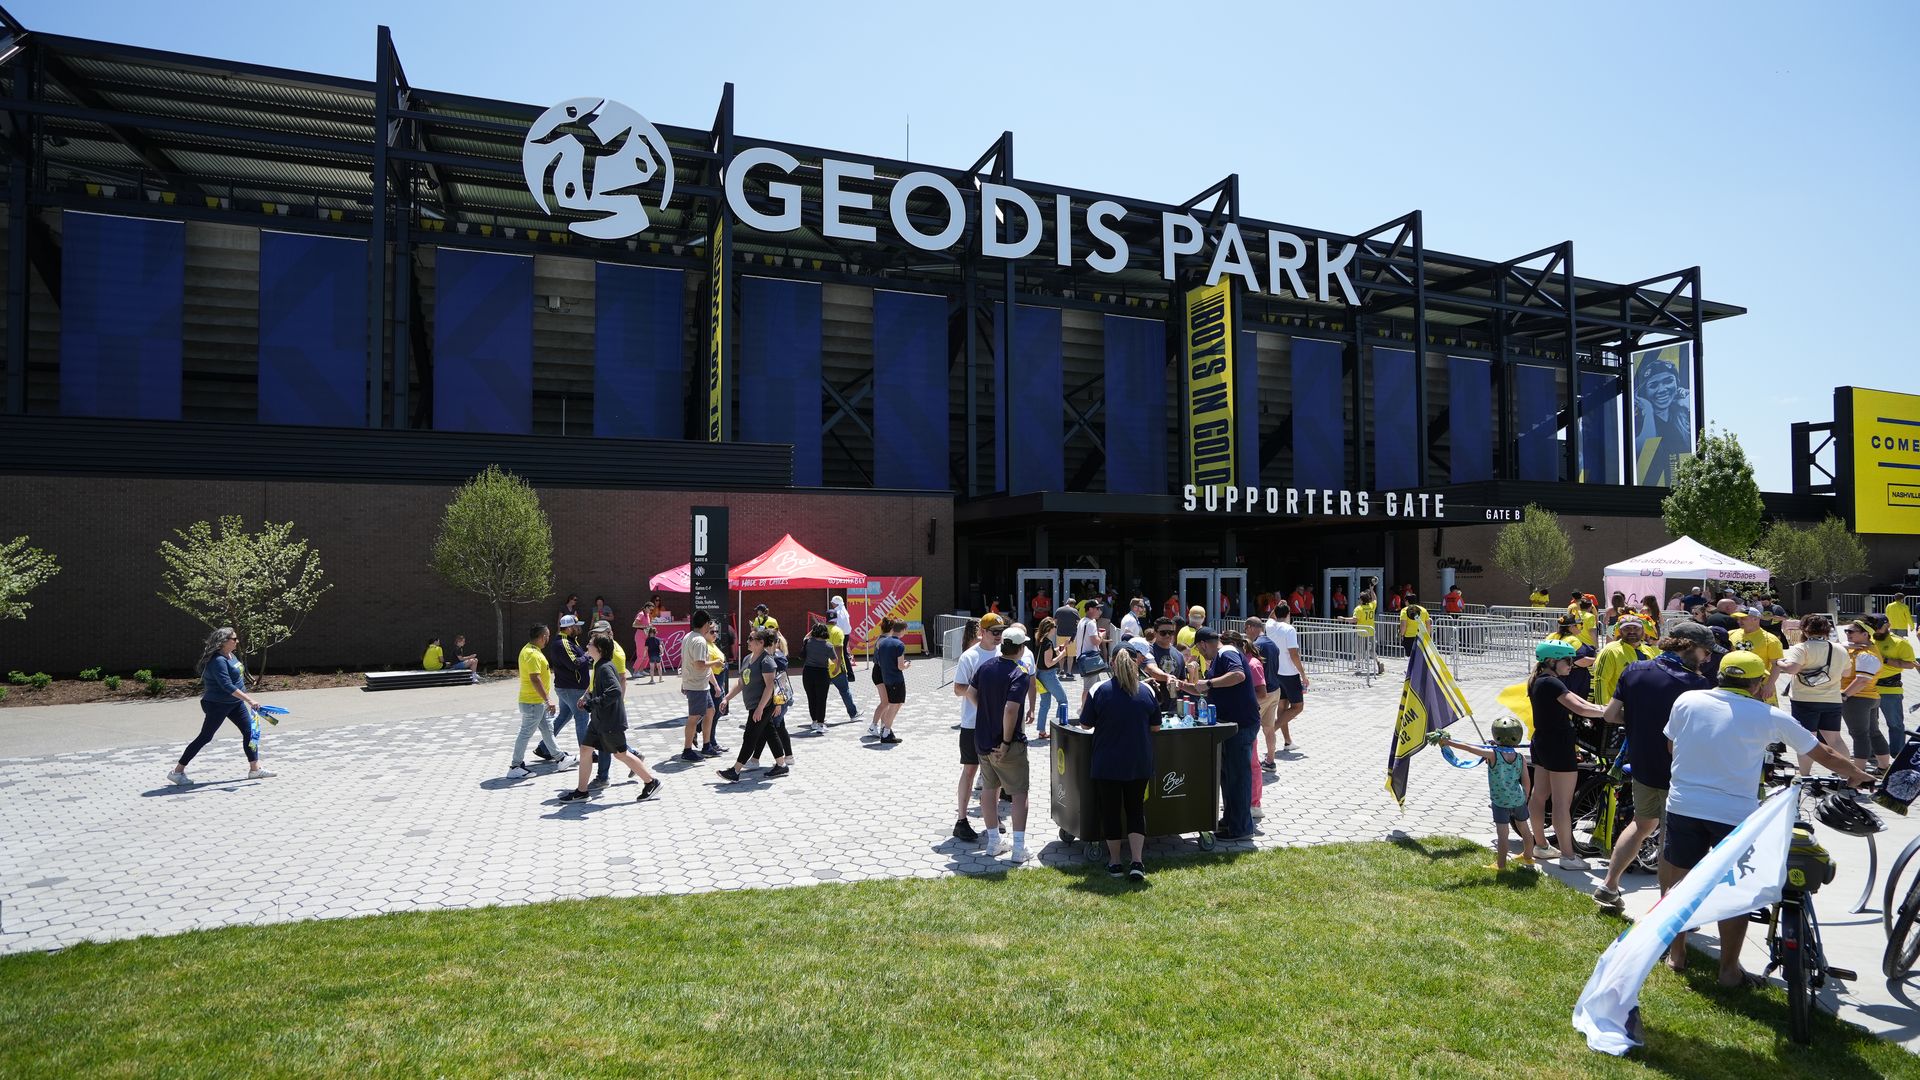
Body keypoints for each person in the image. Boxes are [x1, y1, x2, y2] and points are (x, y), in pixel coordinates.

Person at [1659, 651, 1872, 987]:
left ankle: (1677, 955)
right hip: (1733, 815)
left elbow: (1673, 746)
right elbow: (1824, 753)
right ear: (1758, 684)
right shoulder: (1768, 715)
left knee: (1680, 884)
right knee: (1735, 890)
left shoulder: (1687, 700)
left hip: (1684, 804)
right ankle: (1729, 971)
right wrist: (1858, 774)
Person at [1590, 625, 1717, 909]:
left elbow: (1610, 715)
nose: (1707, 659)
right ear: (1688, 646)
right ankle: (1666, 907)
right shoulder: (1696, 685)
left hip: (1641, 764)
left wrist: (1640, 721)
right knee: (1670, 839)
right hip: (1678, 771)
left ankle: (1609, 885)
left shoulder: (1635, 669)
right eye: (1705, 652)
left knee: (1641, 824)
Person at [1525, 640, 1610, 869]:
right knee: (1562, 803)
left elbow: (1579, 700)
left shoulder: (1540, 679)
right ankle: (1568, 856)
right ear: (1552, 661)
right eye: (1568, 661)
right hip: (1559, 745)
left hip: (1542, 741)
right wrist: (1610, 713)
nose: (1572, 665)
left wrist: (1603, 708)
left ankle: (1541, 846)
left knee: (1539, 795)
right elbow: (1581, 709)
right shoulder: (1552, 683)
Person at [1080, 647, 1159, 880]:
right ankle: (1137, 862)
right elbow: (1156, 726)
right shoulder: (1146, 691)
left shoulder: (1099, 690)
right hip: (1138, 760)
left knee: (1111, 811)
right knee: (1136, 809)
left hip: (1108, 761)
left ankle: (1114, 862)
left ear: (1112, 662)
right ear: (1136, 664)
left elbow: (1085, 724)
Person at [558, 634, 661, 802]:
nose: (587, 645)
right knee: (585, 750)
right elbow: (598, 688)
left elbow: (614, 691)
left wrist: (592, 703)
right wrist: (587, 696)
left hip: (610, 721)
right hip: (599, 720)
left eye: (590, 643)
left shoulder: (605, 667)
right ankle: (582, 792)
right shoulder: (599, 665)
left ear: (599, 649)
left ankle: (651, 782)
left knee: (621, 754)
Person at [1183, 626, 1260, 840]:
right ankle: (1230, 821)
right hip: (1229, 726)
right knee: (1227, 776)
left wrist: (1207, 682)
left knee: (1237, 777)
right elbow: (1206, 689)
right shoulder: (1220, 657)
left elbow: (1238, 675)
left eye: (1199, 649)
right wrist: (1182, 685)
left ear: (1202, 643)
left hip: (1241, 725)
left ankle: (1241, 828)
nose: (1200, 653)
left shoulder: (1227, 652)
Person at [167, 626, 272, 785]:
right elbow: (226, 686)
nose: (237, 641)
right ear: (223, 642)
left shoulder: (231, 656)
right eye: (234, 639)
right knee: (205, 737)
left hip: (234, 703)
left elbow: (236, 678)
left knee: (250, 732)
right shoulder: (217, 661)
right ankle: (177, 772)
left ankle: (255, 769)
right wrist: (249, 700)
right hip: (217, 704)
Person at [1430, 717, 1534, 871]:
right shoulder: (1520, 758)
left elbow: (1469, 748)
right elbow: (1526, 780)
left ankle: (1501, 865)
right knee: (1524, 829)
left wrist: (1449, 743)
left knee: (1503, 834)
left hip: (1500, 802)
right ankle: (1528, 857)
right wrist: (1525, 797)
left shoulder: (1492, 755)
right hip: (1518, 799)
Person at [974, 625, 1035, 862]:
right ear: (1020, 649)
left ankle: (993, 842)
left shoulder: (986, 666)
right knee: (1019, 793)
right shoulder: (1020, 671)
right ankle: (1018, 849)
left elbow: (970, 692)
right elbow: (1011, 710)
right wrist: (1007, 741)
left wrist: (986, 711)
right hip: (1006, 743)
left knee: (989, 790)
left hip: (983, 739)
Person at [716, 628, 796, 783]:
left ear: (761, 643)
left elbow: (769, 686)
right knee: (770, 733)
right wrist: (727, 698)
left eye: (750, 638)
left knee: (750, 736)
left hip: (764, 705)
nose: (747, 641)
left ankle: (735, 770)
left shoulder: (767, 661)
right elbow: (740, 683)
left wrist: (760, 708)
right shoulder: (747, 659)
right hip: (754, 705)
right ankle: (781, 765)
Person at [1777, 613, 1850, 774]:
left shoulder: (1801, 648)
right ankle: (1847, 774)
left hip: (1804, 700)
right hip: (1832, 699)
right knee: (1835, 739)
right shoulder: (1839, 648)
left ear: (1804, 629)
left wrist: (1779, 662)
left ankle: (1805, 775)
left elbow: (1792, 669)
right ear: (1827, 630)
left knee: (1807, 739)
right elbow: (1846, 673)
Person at [950, 615, 1001, 842]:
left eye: (1001, 630)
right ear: (982, 631)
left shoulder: (1004, 654)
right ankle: (962, 820)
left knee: (995, 773)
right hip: (972, 724)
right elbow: (958, 687)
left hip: (997, 725)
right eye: (994, 631)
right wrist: (981, 704)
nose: (998, 635)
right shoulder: (969, 656)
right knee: (970, 770)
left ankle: (994, 818)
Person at [505, 624, 572, 779]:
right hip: (533, 703)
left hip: (535, 702)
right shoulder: (533, 654)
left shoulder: (528, 650)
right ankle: (515, 766)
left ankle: (561, 758)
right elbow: (535, 678)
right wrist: (548, 699)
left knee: (547, 730)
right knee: (525, 733)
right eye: (547, 636)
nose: (548, 639)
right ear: (543, 637)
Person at [546, 615, 604, 785]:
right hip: (571, 688)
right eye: (576, 626)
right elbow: (575, 664)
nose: (579, 628)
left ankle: (544, 747)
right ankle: (587, 752)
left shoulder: (570, 640)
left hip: (567, 686)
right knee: (581, 719)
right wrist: (587, 655)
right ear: (569, 627)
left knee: (564, 716)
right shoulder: (563, 643)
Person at [1840, 619, 1890, 773]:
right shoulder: (1864, 649)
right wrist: (1848, 645)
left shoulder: (1866, 654)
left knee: (1859, 734)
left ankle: (1858, 773)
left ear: (1865, 634)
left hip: (1858, 698)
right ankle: (1883, 768)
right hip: (1868, 697)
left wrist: (1845, 694)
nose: (1848, 634)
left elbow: (1862, 680)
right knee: (1873, 732)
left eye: (1851, 632)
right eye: (1846, 631)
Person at [1865, 613, 1913, 757]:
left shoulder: (1900, 643)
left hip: (1890, 689)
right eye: (1873, 628)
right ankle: (1872, 752)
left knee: (1895, 724)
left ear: (1888, 626)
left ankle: (1897, 754)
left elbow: (1910, 664)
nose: (1876, 631)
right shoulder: (1868, 639)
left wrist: (1885, 660)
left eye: (1878, 627)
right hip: (1868, 688)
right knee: (1869, 724)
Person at [1262, 609, 1308, 754]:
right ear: (1288, 614)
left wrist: (1277, 606)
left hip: (1276, 672)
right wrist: (1303, 674)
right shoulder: (1289, 629)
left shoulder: (1270, 625)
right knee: (1298, 707)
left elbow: (1270, 617)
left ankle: (1288, 741)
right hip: (1289, 673)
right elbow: (1294, 654)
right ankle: (1271, 729)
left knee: (1282, 707)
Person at [678, 610, 721, 762]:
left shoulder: (688, 637)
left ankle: (707, 746)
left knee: (710, 711)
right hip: (697, 685)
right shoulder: (700, 641)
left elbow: (687, 662)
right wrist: (715, 663)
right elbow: (699, 664)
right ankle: (687, 750)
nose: (710, 627)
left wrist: (714, 685)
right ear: (705, 624)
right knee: (694, 717)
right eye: (709, 624)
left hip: (699, 684)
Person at [1592, 615, 1656, 706]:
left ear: (1643, 631)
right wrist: (1603, 711)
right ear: (1620, 631)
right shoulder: (1610, 650)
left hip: (1644, 707)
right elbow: (1600, 681)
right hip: (1618, 710)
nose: (1632, 631)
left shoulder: (1649, 651)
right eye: (1627, 628)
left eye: (1636, 628)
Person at [1726, 609, 1784, 705]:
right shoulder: (1730, 634)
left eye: (1743, 618)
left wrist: (1769, 685)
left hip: (1758, 685)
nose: (1739, 621)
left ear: (1756, 619)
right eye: (1738, 618)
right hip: (1733, 683)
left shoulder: (1770, 639)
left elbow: (1776, 664)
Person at [871, 616, 907, 743]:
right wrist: (906, 665)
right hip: (896, 678)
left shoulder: (882, 642)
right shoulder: (899, 644)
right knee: (894, 705)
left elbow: (879, 661)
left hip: (886, 678)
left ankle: (885, 730)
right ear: (902, 631)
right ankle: (886, 731)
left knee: (891, 703)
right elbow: (900, 666)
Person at [1545, 615, 1598, 699]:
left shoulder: (1551, 636)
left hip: (1552, 673)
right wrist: (1598, 659)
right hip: (1573, 677)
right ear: (1571, 627)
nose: (1581, 627)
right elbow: (1581, 661)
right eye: (1580, 625)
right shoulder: (1573, 640)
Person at [1031, 616, 1068, 733]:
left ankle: (1041, 731)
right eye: (1055, 626)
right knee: (1063, 700)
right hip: (1048, 675)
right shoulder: (1048, 643)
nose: (1056, 629)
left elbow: (1044, 655)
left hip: (1040, 675)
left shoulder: (1040, 640)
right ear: (1050, 629)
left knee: (1045, 704)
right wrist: (1062, 655)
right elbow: (1048, 663)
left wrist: (1057, 649)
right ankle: (1059, 730)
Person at [799, 621, 837, 736]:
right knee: (821, 699)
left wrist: (813, 630)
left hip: (808, 672)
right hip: (822, 673)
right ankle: (821, 724)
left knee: (811, 697)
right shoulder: (828, 646)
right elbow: (835, 660)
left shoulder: (808, 642)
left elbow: (806, 637)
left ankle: (814, 721)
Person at [1052, 600, 1081, 682]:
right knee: (1070, 655)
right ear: (1073, 604)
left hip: (1060, 634)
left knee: (1061, 653)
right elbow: (1079, 623)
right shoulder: (1074, 611)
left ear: (1066, 603)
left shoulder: (1059, 610)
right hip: (1071, 636)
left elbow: (1055, 622)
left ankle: (1061, 670)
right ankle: (1069, 672)